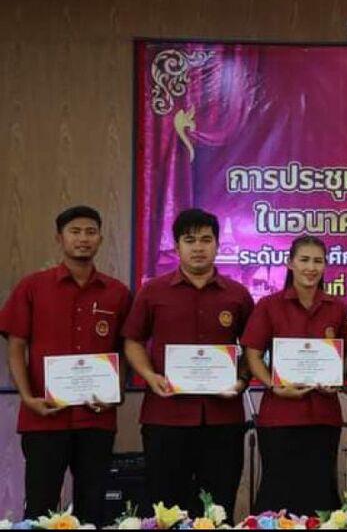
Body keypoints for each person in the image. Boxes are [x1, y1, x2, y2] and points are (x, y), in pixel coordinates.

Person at [1, 206, 131, 525]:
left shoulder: (117, 293)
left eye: (90, 232)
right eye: (75, 232)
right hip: (44, 417)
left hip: (96, 418)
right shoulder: (33, 287)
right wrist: (28, 398)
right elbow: (16, 346)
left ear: (100, 239)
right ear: (59, 238)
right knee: (40, 506)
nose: (83, 238)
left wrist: (115, 394)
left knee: (93, 506)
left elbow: (127, 350)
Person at [122, 208, 253, 521]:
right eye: (189, 240)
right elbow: (132, 341)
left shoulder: (237, 294)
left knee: (218, 508)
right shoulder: (153, 291)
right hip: (165, 417)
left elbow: (253, 349)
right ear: (176, 246)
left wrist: (242, 380)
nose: (198, 247)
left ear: (217, 245)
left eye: (206, 240)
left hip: (222, 420)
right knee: (166, 510)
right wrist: (149, 376)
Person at [242, 235, 347, 516]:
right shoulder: (269, 305)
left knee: (321, 492)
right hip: (280, 415)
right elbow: (253, 355)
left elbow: (345, 356)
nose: (311, 268)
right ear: (290, 263)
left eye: (318, 261)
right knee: (278, 492)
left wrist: (336, 379)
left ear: (325, 265)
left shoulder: (337, 308)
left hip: (324, 416)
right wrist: (273, 385)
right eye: (304, 260)